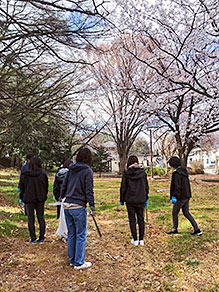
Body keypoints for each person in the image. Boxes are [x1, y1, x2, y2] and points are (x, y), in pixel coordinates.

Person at [60, 148, 95, 269]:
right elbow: (89, 190)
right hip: (78, 206)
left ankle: (72, 260)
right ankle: (79, 262)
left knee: (71, 234)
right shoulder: (87, 171)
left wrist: (61, 197)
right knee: (80, 234)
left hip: (67, 205)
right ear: (89, 158)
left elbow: (64, 186)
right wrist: (92, 206)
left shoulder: (71, 170)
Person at [166, 156, 202, 236]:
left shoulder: (176, 174)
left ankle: (174, 229)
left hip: (180, 197)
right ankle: (197, 229)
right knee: (186, 213)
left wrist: (175, 196)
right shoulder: (184, 172)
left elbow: (177, 186)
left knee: (175, 212)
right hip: (186, 196)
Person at [120, 155, 149, 246]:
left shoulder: (126, 173)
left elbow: (123, 188)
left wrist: (122, 199)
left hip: (130, 199)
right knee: (141, 219)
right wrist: (146, 197)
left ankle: (135, 239)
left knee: (132, 219)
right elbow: (146, 186)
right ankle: (141, 239)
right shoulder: (143, 173)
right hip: (141, 199)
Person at [19, 156, 48, 244]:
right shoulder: (43, 175)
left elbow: (22, 187)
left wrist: (21, 197)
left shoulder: (25, 174)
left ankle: (33, 238)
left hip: (28, 199)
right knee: (41, 217)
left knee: (31, 219)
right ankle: (42, 237)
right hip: (40, 199)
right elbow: (45, 187)